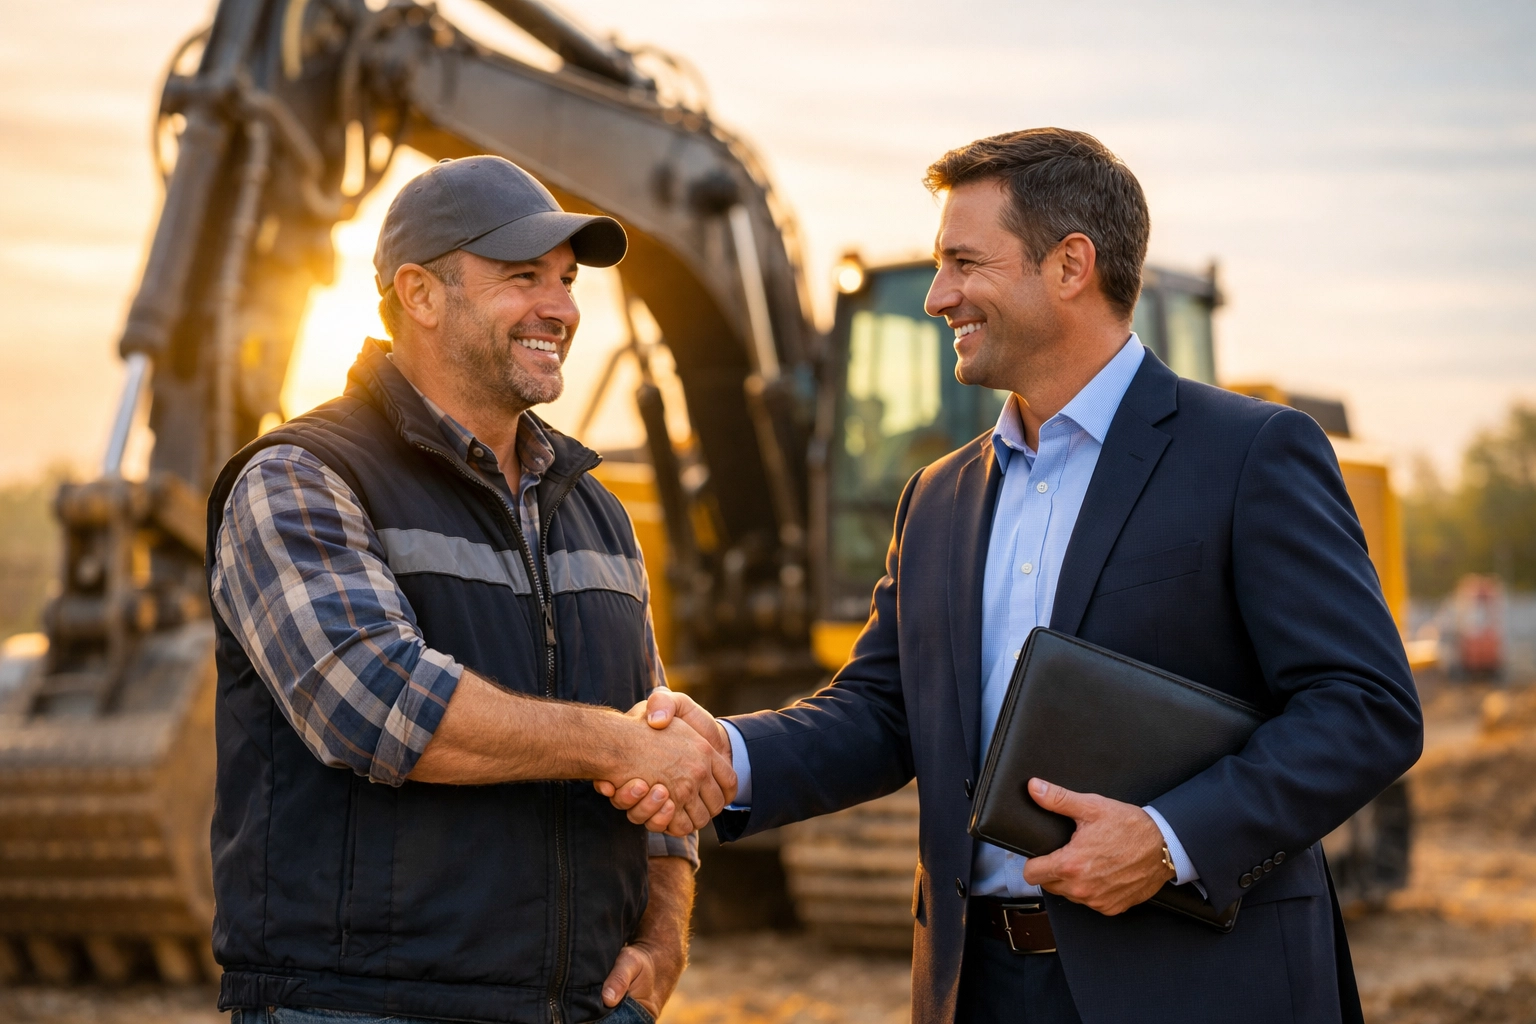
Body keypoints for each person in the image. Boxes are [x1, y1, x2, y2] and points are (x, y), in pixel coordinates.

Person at [619, 129, 1423, 1023]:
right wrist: (727, 755)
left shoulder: (1252, 455)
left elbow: (1364, 705)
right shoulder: (936, 498)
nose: (938, 297)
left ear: (1071, 264)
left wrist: (1166, 840)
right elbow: (885, 712)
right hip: (981, 988)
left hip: (1196, 981)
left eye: (965, 262)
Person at [206, 155, 735, 1024]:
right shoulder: (303, 478)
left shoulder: (594, 511)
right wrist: (616, 747)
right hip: (362, 1008)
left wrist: (664, 933)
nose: (560, 307)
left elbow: (658, 740)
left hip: (580, 1006)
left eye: (565, 281)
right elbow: (373, 702)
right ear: (419, 293)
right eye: (521, 276)